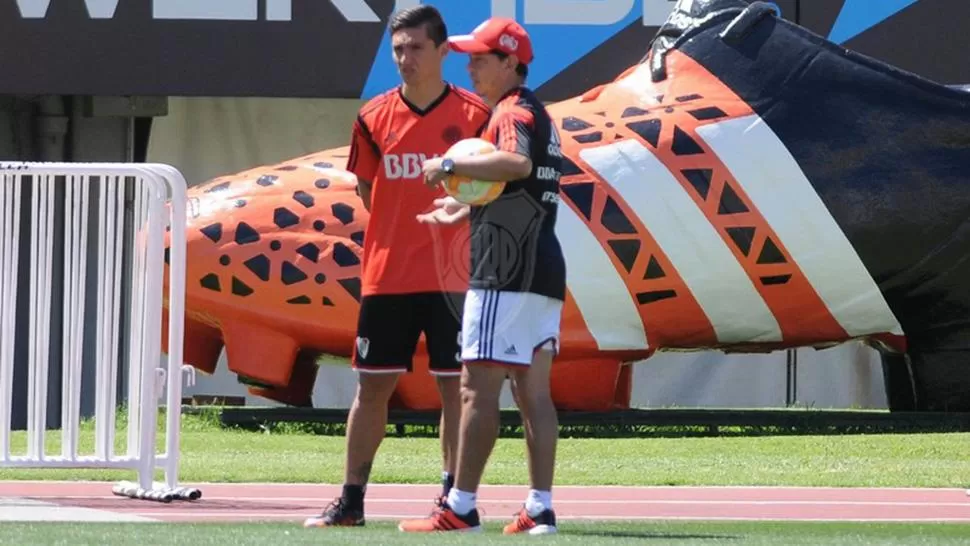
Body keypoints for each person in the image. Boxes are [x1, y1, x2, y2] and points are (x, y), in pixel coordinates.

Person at [303, 5, 491, 528]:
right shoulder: (372, 116)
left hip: (455, 276)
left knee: (456, 388)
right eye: (398, 50)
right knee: (372, 388)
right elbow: (369, 191)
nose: (405, 59)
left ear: (443, 51)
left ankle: (451, 498)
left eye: (415, 48)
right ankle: (351, 500)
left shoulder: (477, 116)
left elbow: (491, 188)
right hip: (387, 275)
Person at [397, 17, 567, 535]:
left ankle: (461, 506)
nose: (469, 66)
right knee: (532, 393)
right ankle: (540, 508)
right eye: (468, 57)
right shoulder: (538, 112)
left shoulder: (512, 112)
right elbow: (519, 188)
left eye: (481, 58)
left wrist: (447, 164)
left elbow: (514, 165)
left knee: (476, 389)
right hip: (542, 266)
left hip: (504, 272)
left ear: (512, 63)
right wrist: (459, 207)